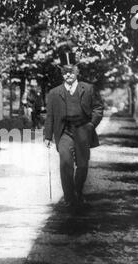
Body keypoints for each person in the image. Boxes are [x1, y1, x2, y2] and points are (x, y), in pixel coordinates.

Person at [44, 50, 103, 212]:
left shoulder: (88, 89)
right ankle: (69, 198)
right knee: (65, 164)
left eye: (71, 71)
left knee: (83, 166)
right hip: (64, 132)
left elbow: (98, 108)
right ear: (62, 74)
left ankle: (78, 191)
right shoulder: (54, 93)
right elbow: (50, 116)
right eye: (65, 72)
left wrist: (91, 126)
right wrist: (47, 136)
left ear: (77, 72)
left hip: (83, 130)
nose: (68, 75)